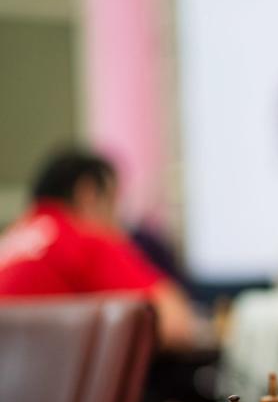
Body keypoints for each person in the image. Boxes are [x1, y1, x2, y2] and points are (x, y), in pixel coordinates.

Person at [0, 149, 201, 350]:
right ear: (88, 194)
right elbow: (176, 325)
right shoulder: (81, 239)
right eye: (115, 202)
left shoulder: (12, 238)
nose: (119, 221)